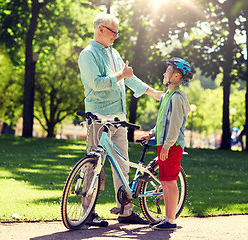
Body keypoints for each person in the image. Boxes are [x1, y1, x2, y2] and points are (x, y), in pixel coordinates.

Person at [78, 12, 162, 227]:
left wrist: (153, 93)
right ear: (101, 30)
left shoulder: (113, 53)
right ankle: (87, 213)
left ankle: (125, 211)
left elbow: (129, 78)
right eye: (113, 32)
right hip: (98, 118)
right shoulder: (88, 55)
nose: (116, 36)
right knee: (94, 165)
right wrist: (120, 76)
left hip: (119, 119)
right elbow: (96, 83)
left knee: (122, 165)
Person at [140, 57, 194, 230]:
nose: (164, 73)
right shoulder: (167, 96)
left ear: (177, 76)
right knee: (164, 181)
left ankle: (171, 220)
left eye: (168, 71)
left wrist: (168, 145)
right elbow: (163, 121)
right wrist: (152, 134)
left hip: (172, 146)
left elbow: (175, 125)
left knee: (170, 182)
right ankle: (167, 218)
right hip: (165, 145)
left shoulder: (177, 98)